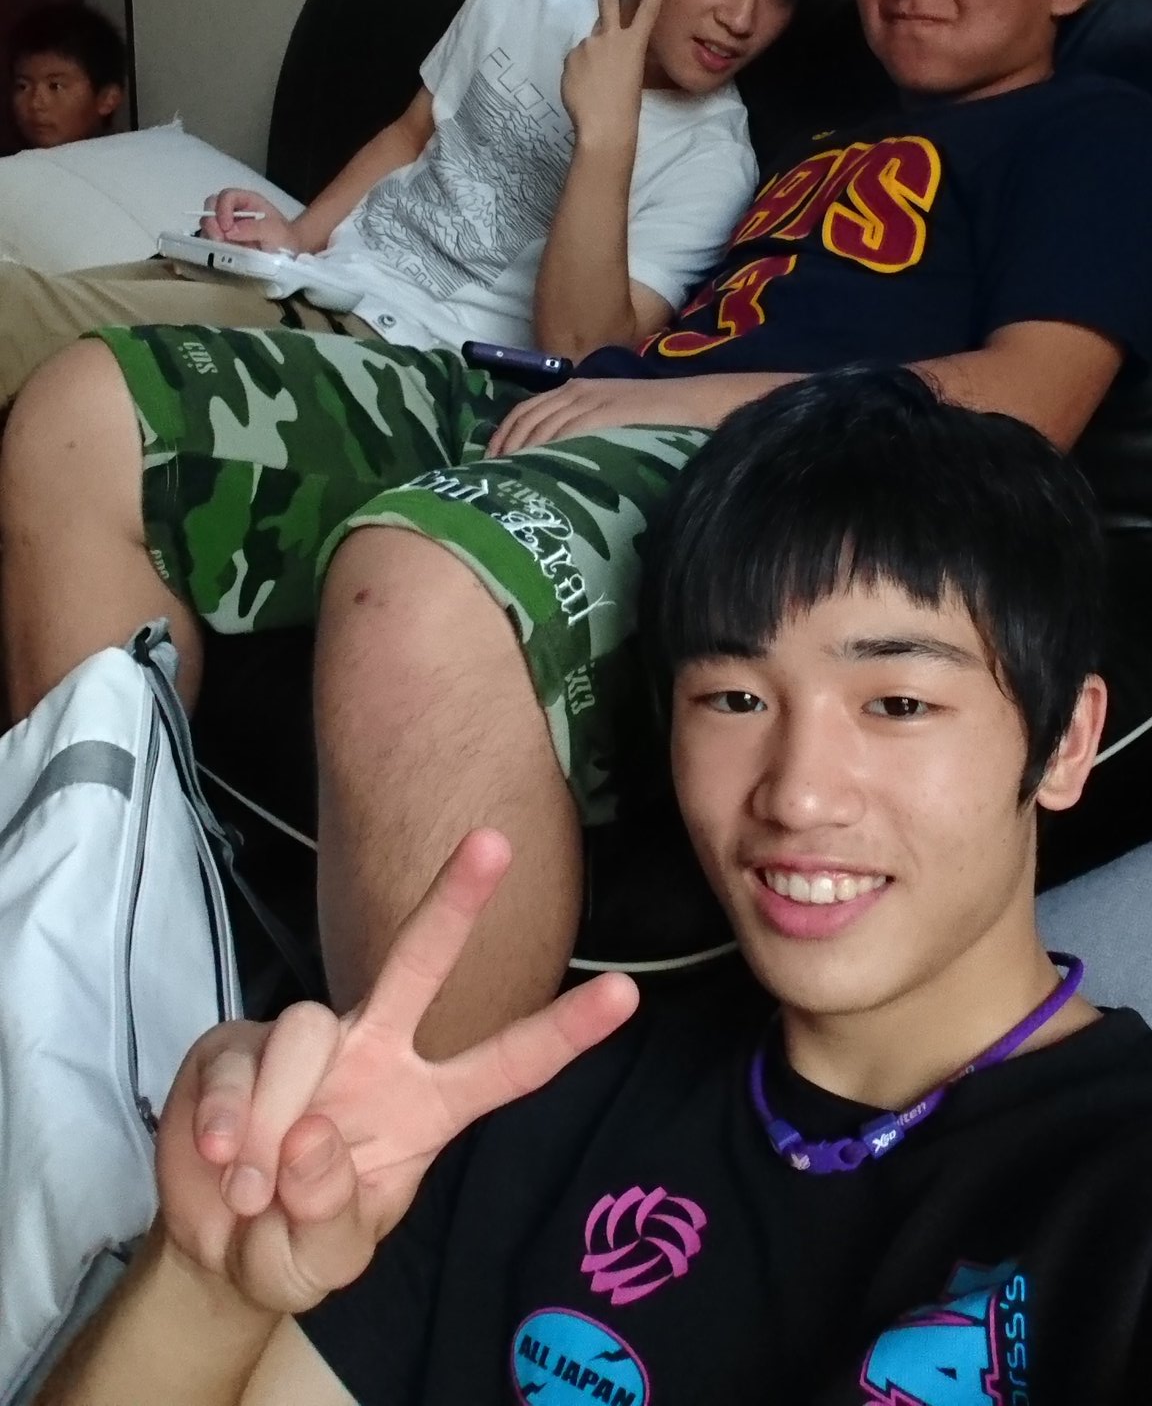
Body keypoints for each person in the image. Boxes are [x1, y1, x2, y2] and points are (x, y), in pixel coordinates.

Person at [6, 0, 1152, 1055]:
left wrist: (675, 402)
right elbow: (584, 326)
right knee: (84, 410)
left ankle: (408, 1152)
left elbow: (1025, 406)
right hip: (545, 395)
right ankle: (88, 1026)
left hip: (760, 469)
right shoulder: (819, 144)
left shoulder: (1093, 132)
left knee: (427, 569)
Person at [33, 373, 1152, 1404]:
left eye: (898, 704)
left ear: (1065, 741)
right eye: (734, 699)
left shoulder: (1115, 1193)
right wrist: (207, 1274)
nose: (798, 793)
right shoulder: (529, 1119)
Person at [0, 0, 854, 407]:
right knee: (27, 304)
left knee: (33, 330)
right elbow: (412, 132)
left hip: (405, 359)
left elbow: (581, 355)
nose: (744, 18)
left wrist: (606, 138)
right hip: (308, 285)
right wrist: (298, 236)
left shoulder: (714, 161)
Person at [7, 2, 126, 151]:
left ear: (107, 98)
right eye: (22, 86)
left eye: (55, 86)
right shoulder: (11, 164)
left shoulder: (131, 160)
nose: (35, 104)